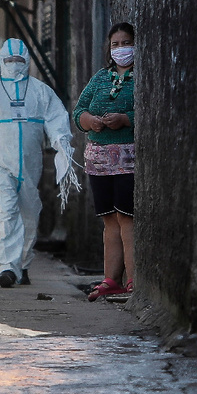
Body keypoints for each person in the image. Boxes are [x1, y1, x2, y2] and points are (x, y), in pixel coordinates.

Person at [0, 38, 78, 288]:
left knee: (29, 212)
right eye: (9, 60)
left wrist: (61, 143)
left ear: (26, 61)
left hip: (30, 165)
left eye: (18, 60)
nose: (14, 64)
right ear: (2, 61)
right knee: (5, 211)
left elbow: (56, 118)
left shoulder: (40, 91)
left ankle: (23, 263)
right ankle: (5, 267)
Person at [73, 22, 137, 302]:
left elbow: (147, 110)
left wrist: (125, 119)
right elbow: (79, 111)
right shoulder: (100, 78)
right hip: (99, 160)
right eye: (115, 44)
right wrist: (90, 121)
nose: (121, 49)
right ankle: (111, 279)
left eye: (126, 43)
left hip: (128, 157)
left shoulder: (141, 77)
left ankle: (133, 280)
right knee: (109, 219)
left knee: (126, 217)